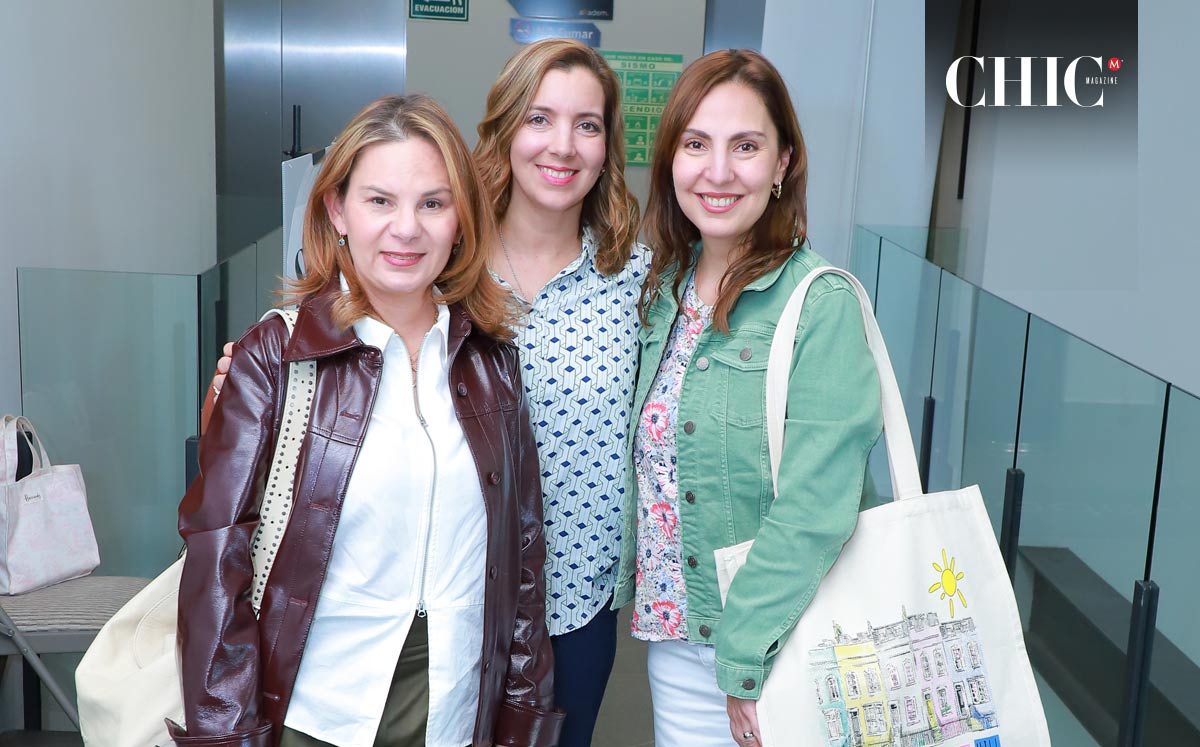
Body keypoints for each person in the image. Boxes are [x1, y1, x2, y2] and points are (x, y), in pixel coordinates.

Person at [205, 39, 643, 747]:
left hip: (490, 664)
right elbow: (220, 557)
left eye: (432, 203)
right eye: (380, 200)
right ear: (337, 208)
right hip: (322, 696)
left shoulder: (498, 350)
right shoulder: (290, 349)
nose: (406, 227)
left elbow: (525, 548)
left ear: (456, 216)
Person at [610, 49, 883, 747]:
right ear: (671, 158)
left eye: (746, 146)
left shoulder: (818, 303)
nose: (720, 171)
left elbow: (817, 506)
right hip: (677, 641)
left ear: (783, 162)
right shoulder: (666, 291)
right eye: (696, 144)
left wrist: (744, 659)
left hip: (782, 644)